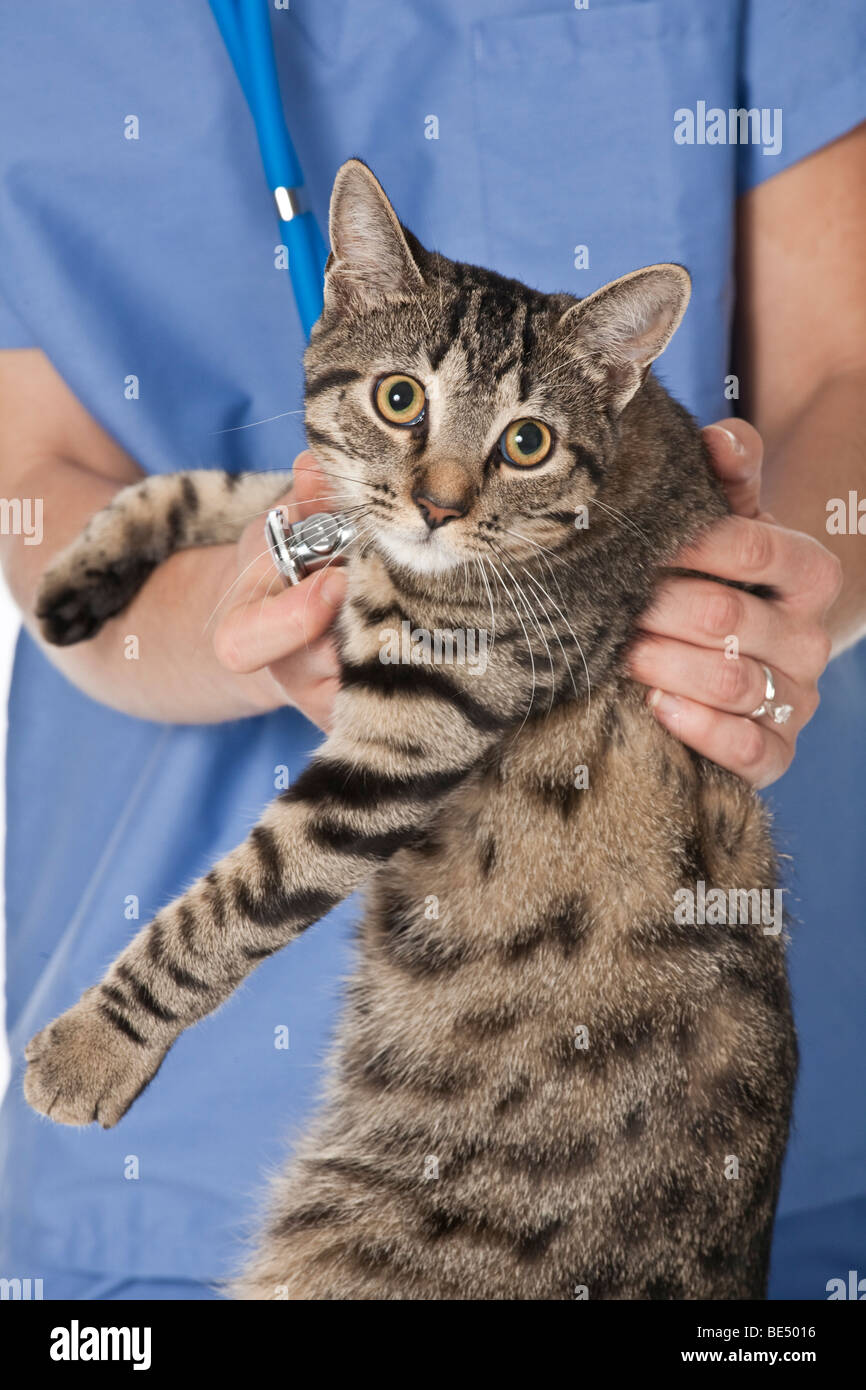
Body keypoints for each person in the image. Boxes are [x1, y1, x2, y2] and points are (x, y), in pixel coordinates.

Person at [0, 1, 863, 1301]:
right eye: (399, 406)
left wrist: (787, 586)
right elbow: (34, 470)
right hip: (154, 1169)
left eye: (511, 445)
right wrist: (221, 623)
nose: (442, 490)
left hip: (613, 1117)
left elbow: (843, 374)